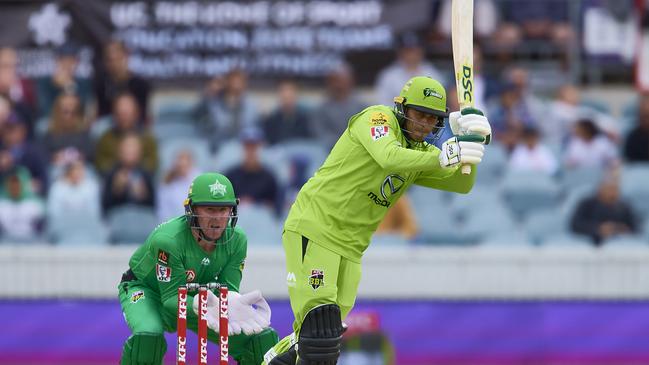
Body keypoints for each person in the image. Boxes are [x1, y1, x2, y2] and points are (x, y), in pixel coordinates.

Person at [262, 76, 491, 365]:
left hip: (352, 247)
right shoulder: (376, 118)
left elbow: (462, 184)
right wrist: (446, 154)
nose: (424, 124)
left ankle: (268, 359)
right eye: (419, 114)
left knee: (323, 335)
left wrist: (472, 143)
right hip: (316, 227)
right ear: (402, 109)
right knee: (317, 330)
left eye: (433, 119)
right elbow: (388, 157)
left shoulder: (421, 153)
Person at [118, 172, 279, 365]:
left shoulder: (237, 240)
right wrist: (201, 305)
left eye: (224, 210)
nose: (218, 219)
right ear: (191, 211)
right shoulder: (168, 240)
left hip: (201, 297)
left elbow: (227, 290)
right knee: (148, 337)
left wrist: (232, 302)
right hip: (148, 291)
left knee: (260, 340)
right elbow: (170, 299)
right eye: (210, 209)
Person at [570, 176, 638, 245]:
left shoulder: (624, 206)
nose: (612, 192)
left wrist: (622, 229)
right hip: (587, 245)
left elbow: (635, 227)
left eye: (615, 189)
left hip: (619, 247)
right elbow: (575, 225)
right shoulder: (587, 204)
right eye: (609, 189)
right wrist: (598, 228)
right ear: (600, 188)